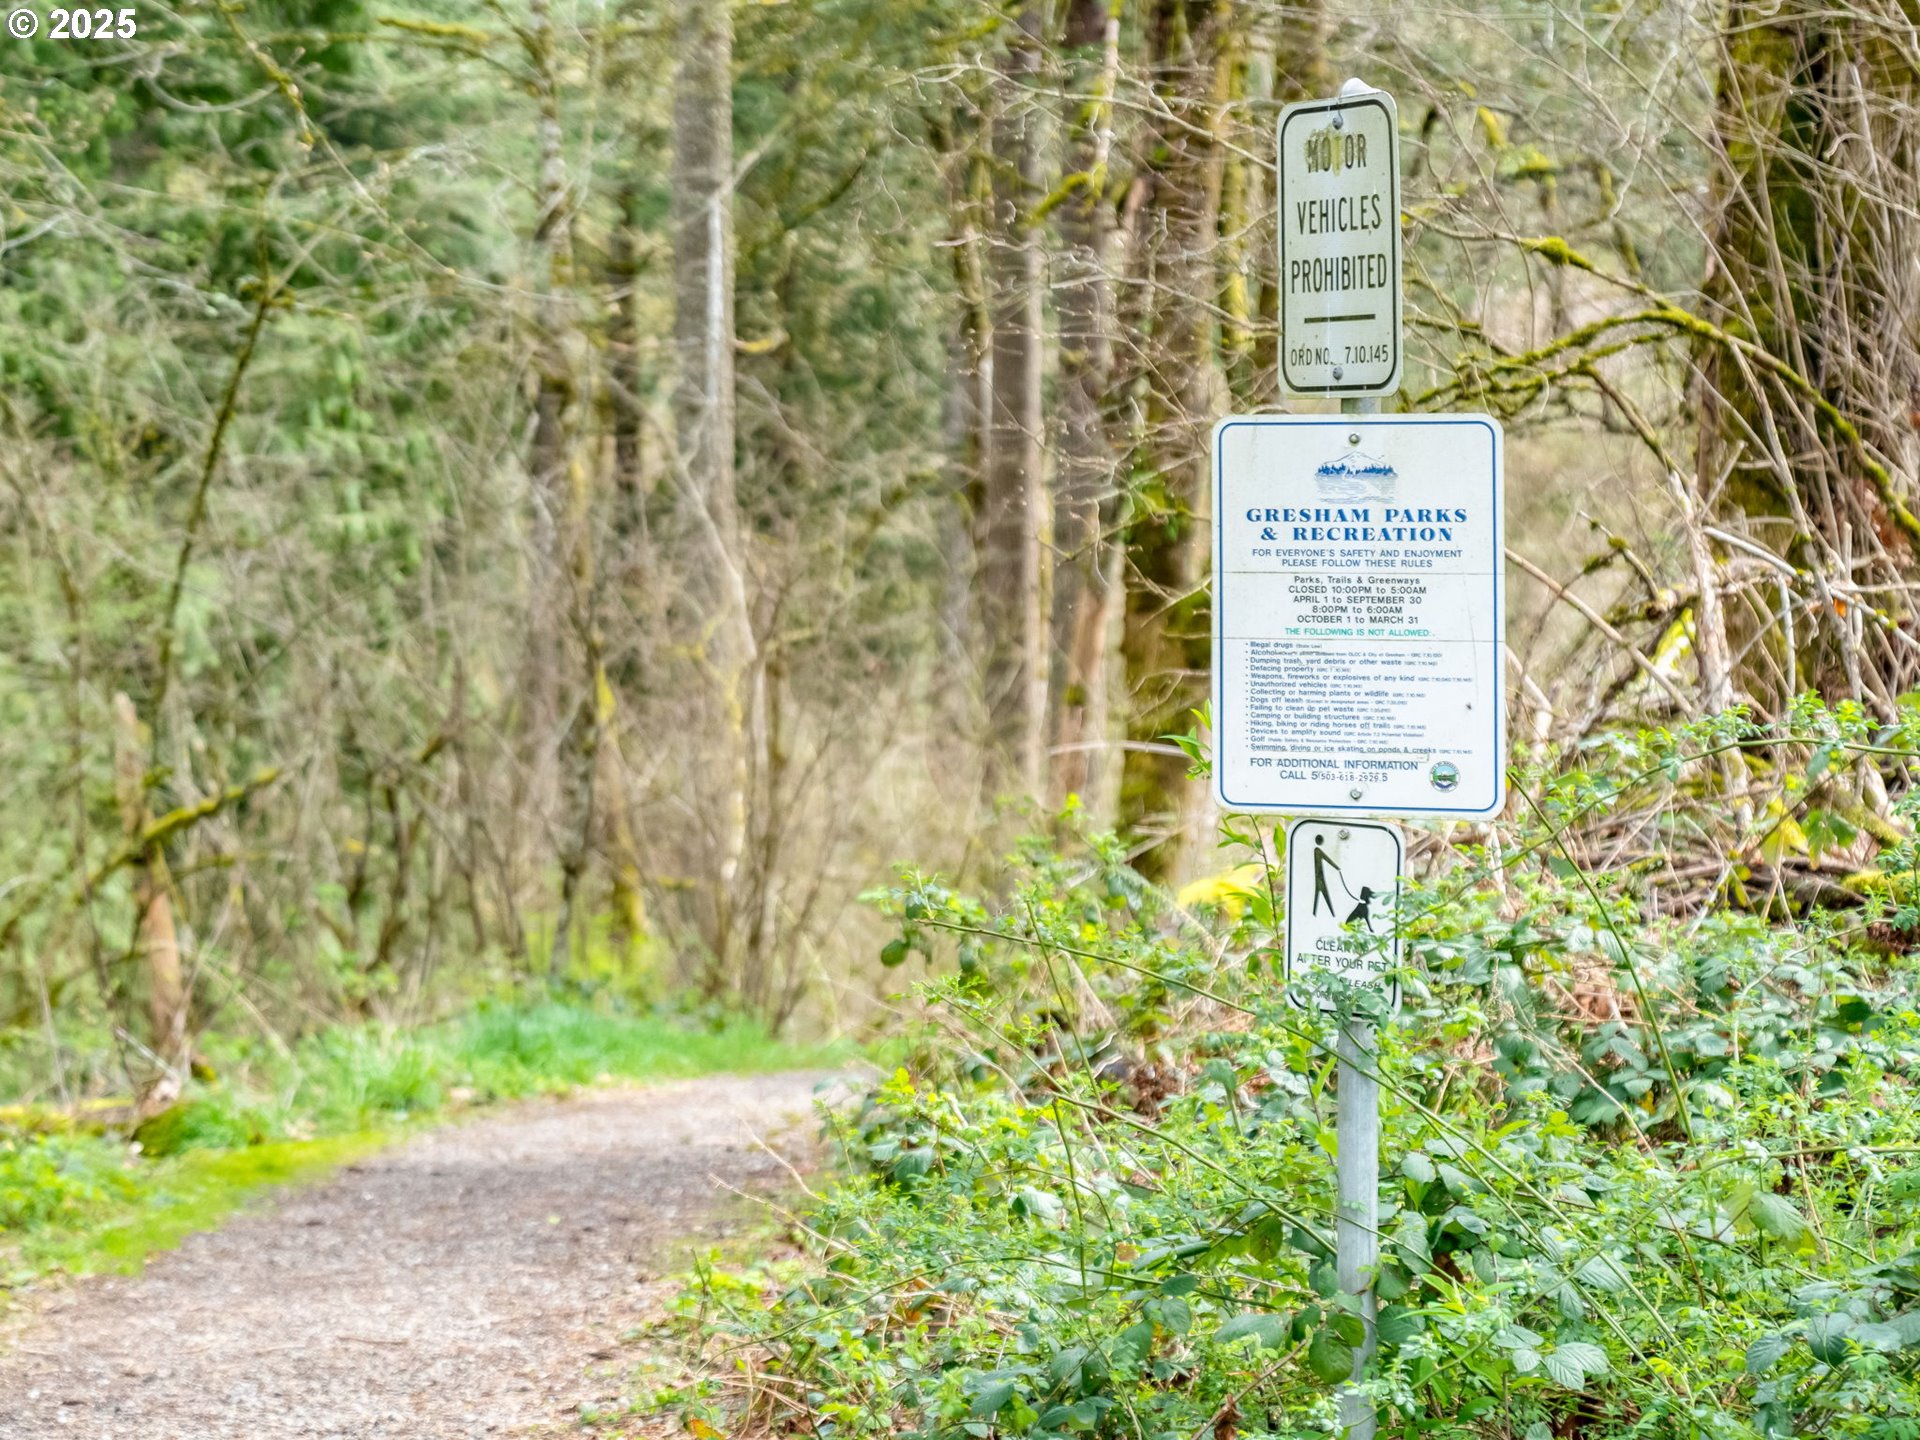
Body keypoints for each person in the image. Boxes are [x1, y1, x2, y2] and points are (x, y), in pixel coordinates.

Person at [1310, 834, 1343, 917]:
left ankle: (1315, 914)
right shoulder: (1317, 850)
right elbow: (1327, 859)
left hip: (1320, 878)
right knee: (1323, 897)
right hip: (1319, 878)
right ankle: (1318, 914)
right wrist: (1337, 867)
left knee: (1319, 897)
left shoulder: (1316, 850)